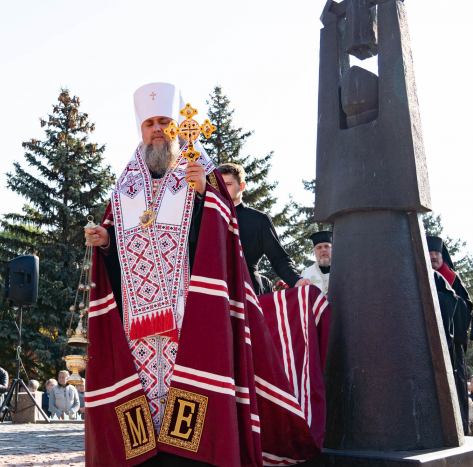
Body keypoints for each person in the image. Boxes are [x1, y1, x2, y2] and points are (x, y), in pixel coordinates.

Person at [83, 83, 325, 466]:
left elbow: (222, 243)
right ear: (141, 130)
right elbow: (118, 253)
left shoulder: (200, 175)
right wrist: (106, 242)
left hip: (190, 319)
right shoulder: (124, 187)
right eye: (150, 123)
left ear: (178, 127)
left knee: (191, 409)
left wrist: (202, 195)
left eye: (165, 121)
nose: (158, 129)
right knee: (143, 410)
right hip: (137, 328)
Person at [218, 163, 309, 295]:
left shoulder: (258, 219)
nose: (223, 189)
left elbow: (279, 259)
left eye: (228, 184)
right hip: (215, 291)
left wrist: (296, 280)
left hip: (249, 291)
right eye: (220, 185)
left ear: (241, 186)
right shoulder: (209, 216)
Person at [427, 237, 473, 435]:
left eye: (436, 254)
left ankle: (459, 429)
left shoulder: (452, 278)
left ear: (442, 256)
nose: (433, 257)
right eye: (429, 254)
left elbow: (466, 306)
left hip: (452, 346)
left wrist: (445, 302)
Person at [299, 231, 332, 296]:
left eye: (327, 246)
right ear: (314, 251)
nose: (323, 250)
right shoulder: (305, 274)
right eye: (319, 248)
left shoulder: (343, 271)